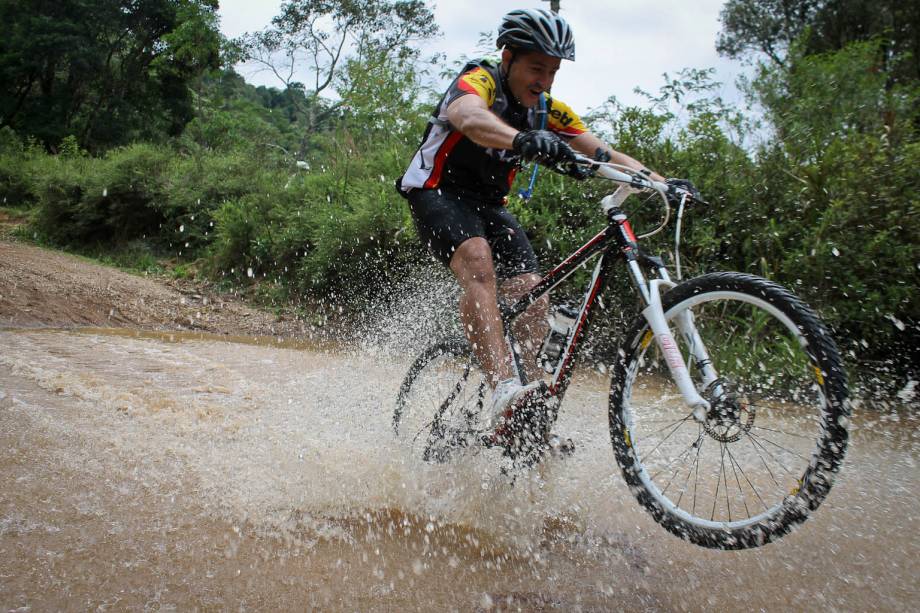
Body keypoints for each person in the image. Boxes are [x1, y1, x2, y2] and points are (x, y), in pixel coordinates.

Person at [396, 8, 671, 441]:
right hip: (437, 191)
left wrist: (660, 183)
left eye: (553, 71)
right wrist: (521, 138)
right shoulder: (480, 81)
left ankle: (525, 407)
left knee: (532, 294)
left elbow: (603, 154)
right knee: (479, 263)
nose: (544, 80)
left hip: (488, 205)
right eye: (536, 68)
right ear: (508, 58)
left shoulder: (547, 111)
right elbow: (468, 117)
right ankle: (503, 387)